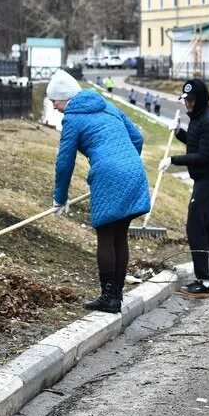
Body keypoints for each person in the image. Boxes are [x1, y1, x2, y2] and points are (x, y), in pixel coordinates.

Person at [47, 69, 151, 314]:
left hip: (109, 175)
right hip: (134, 172)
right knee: (119, 235)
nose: (54, 107)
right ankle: (115, 296)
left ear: (65, 98)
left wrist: (59, 198)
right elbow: (137, 138)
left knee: (105, 236)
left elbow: (64, 161)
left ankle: (108, 298)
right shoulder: (108, 106)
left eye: (55, 101)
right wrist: (126, 163)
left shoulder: (73, 118)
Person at [160, 78, 209, 298]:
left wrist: (173, 160)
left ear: (200, 100)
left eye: (190, 100)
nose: (187, 104)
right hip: (206, 180)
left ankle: (203, 282)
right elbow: (196, 142)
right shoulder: (200, 118)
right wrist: (180, 132)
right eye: (186, 100)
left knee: (195, 226)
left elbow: (204, 155)